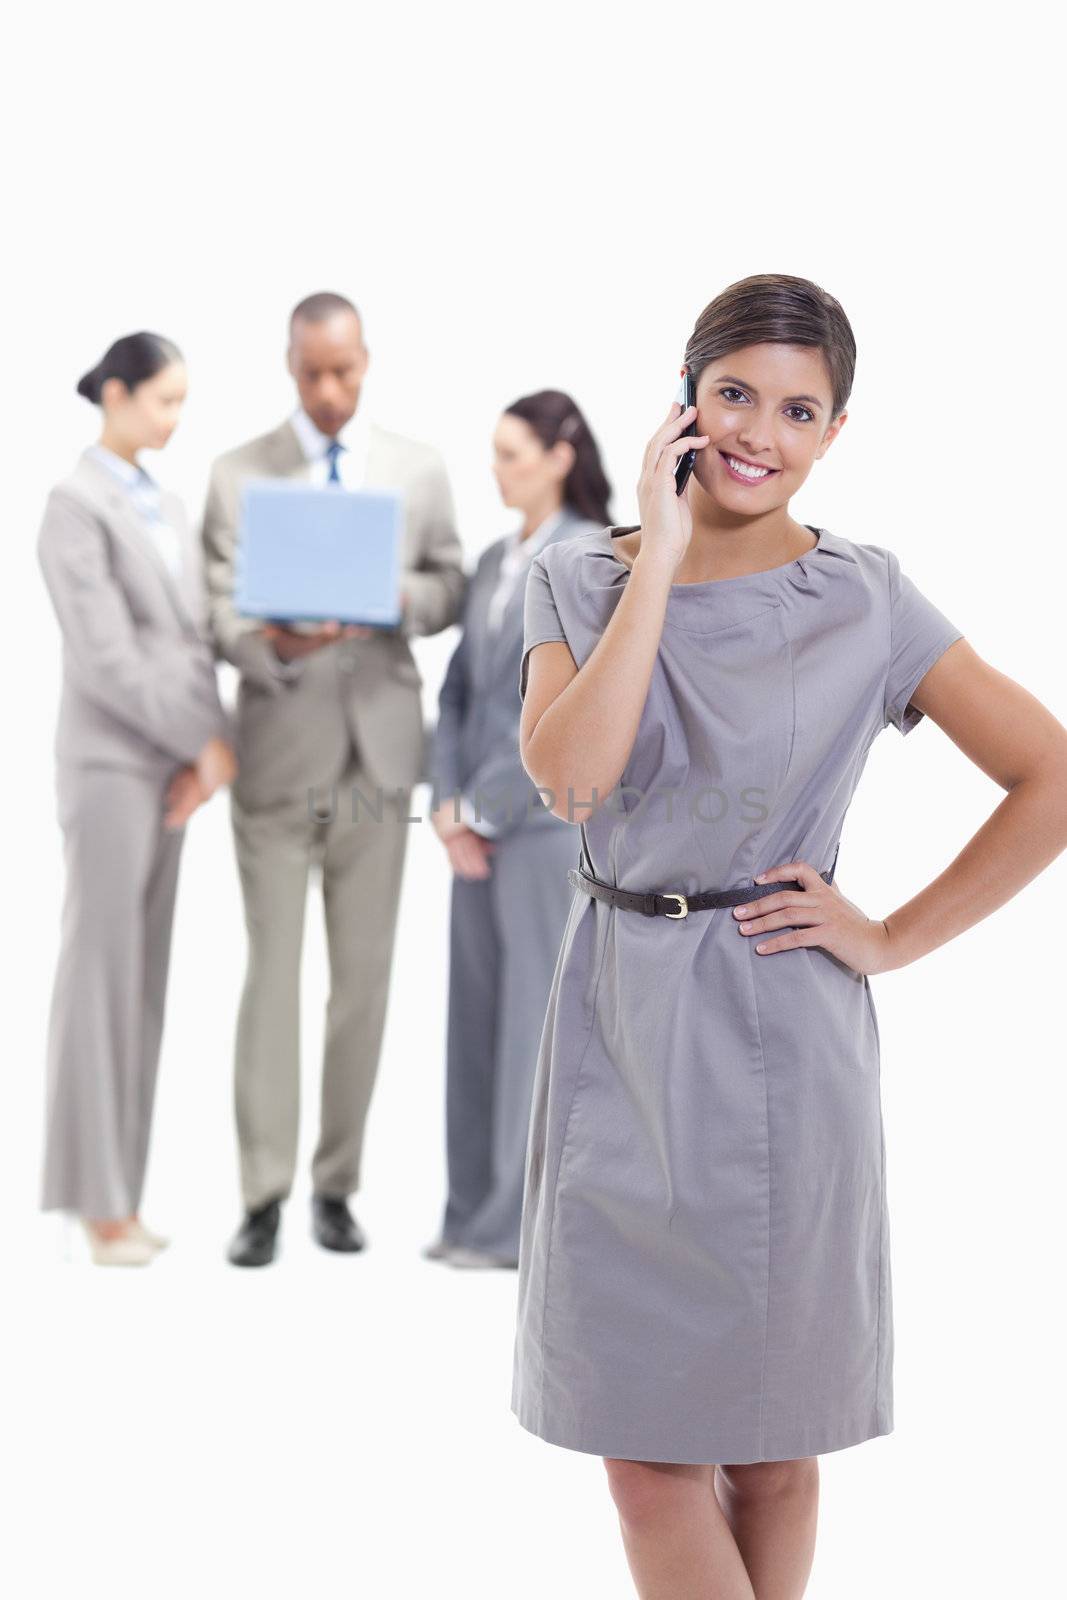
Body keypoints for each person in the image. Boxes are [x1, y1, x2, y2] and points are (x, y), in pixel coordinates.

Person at [510, 273, 1067, 1597]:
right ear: (686, 401)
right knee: (644, 1462)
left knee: (766, 1452)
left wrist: (885, 936)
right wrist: (657, 547)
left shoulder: (861, 596)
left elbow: (1044, 774)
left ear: (833, 431)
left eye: (797, 409)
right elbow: (573, 784)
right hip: (613, 1027)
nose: (761, 431)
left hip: (775, 1030)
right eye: (735, 395)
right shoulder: (577, 577)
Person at [202, 291, 466, 1267]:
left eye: (342, 371)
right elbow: (213, 609)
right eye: (310, 372)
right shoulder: (237, 475)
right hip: (277, 753)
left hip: (378, 757)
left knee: (361, 982)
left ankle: (334, 1186)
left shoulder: (417, 468)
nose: (327, 390)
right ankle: (262, 1193)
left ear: (366, 362)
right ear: (288, 364)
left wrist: (399, 597)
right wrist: (265, 636)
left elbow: (452, 586)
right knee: (271, 975)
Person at [38, 332, 236, 1267]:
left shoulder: (168, 501)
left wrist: (212, 749)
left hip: (169, 768)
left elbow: (193, 641)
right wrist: (196, 739)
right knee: (99, 977)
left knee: (143, 979)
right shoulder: (72, 508)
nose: (175, 417)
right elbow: (107, 658)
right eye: (163, 399)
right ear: (115, 394)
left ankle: (122, 1195)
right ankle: (93, 1202)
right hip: (112, 767)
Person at [426, 391, 613, 1270]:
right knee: (473, 1020)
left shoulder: (587, 557)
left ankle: (510, 1229)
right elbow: (460, 691)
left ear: (556, 458)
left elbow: (562, 710)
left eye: (510, 453)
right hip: (470, 830)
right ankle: (466, 1215)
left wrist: (483, 805)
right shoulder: (498, 561)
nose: (496, 468)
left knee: (527, 1030)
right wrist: (442, 800)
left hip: (539, 830)